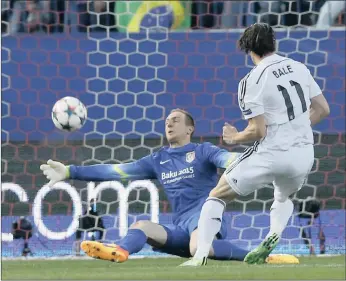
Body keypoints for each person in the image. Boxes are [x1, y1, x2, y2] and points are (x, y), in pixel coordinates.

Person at [181, 23, 330, 266]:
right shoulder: (300, 68)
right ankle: (273, 235)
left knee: (216, 196)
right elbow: (323, 109)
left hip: (272, 153)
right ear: (274, 44)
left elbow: (257, 131)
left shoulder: (252, 80)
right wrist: (297, 128)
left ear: (248, 49)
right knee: (282, 198)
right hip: (304, 155)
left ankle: (199, 258)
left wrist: (234, 138)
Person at [40, 108, 250, 263]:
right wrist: (70, 171)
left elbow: (227, 159)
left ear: (190, 128)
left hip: (206, 218)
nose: (169, 124)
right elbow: (116, 171)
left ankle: (256, 256)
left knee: (197, 247)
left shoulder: (203, 150)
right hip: (181, 227)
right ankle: (119, 252)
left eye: (175, 120)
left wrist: (248, 160)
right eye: (167, 121)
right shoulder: (158, 160)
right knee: (142, 227)